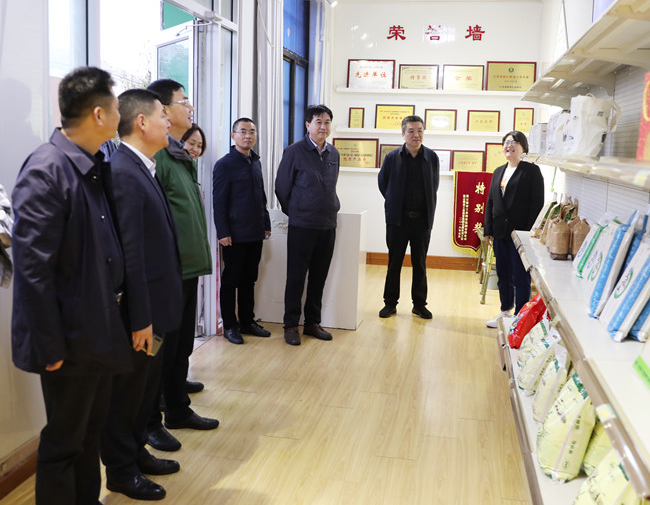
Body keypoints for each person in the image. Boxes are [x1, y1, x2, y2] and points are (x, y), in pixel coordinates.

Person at [11, 66, 131, 505]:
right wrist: (50, 347)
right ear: (99, 114)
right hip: (67, 337)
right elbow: (33, 270)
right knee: (64, 441)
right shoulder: (47, 169)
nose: (120, 116)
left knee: (89, 433)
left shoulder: (90, 164)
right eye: (116, 108)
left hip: (96, 327)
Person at [100, 89, 183, 501]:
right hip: (140, 313)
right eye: (162, 115)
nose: (169, 122)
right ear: (142, 122)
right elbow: (130, 254)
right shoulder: (123, 172)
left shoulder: (142, 167)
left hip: (158, 306)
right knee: (128, 396)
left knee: (146, 391)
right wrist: (141, 319)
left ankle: (136, 453)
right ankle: (121, 470)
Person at [145, 79, 217, 447]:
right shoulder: (156, 157)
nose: (190, 108)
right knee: (164, 349)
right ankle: (157, 415)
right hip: (169, 270)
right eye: (183, 102)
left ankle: (177, 407)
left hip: (187, 267)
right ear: (162, 110)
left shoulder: (179, 154)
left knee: (181, 345)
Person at [275, 104, 340, 346]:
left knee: (319, 277)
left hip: (327, 224)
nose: (323, 126)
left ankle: (312, 323)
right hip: (302, 225)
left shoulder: (334, 153)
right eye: (318, 122)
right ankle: (291, 325)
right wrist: (296, 212)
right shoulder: (294, 151)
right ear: (307, 125)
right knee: (296, 277)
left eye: (327, 122)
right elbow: (281, 187)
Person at [212, 118, 272, 344]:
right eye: (243, 131)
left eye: (252, 132)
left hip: (255, 232)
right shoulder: (224, 164)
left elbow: (261, 196)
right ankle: (230, 325)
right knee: (231, 281)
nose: (248, 136)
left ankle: (247, 321)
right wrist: (222, 232)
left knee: (249, 279)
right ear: (233, 135)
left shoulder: (255, 162)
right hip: (234, 235)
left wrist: (266, 223)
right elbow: (219, 202)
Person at [377, 115, 440, 320]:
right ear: (403, 133)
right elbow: (383, 184)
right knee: (394, 263)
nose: (416, 135)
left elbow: (434, 186)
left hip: (422, 221)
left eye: (420, 130)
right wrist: (394, 203)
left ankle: (419, 305)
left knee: (419, 264)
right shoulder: (392, 157)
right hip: (397, 220)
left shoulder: (431, 157)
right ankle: (390, 304)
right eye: (411, 131)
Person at [484, 130, 544, 328]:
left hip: (520, 233)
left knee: (520, 276)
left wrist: (527, 233)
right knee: (503, 274)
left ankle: (520, 317)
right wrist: (488, 229)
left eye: (514, 142)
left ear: (523, 147)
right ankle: (505, 312)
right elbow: (491, 202)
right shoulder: (498, 171)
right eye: (506, 142)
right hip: (500, 232)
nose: (509, 146)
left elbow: (537, 204)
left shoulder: (531, 171)